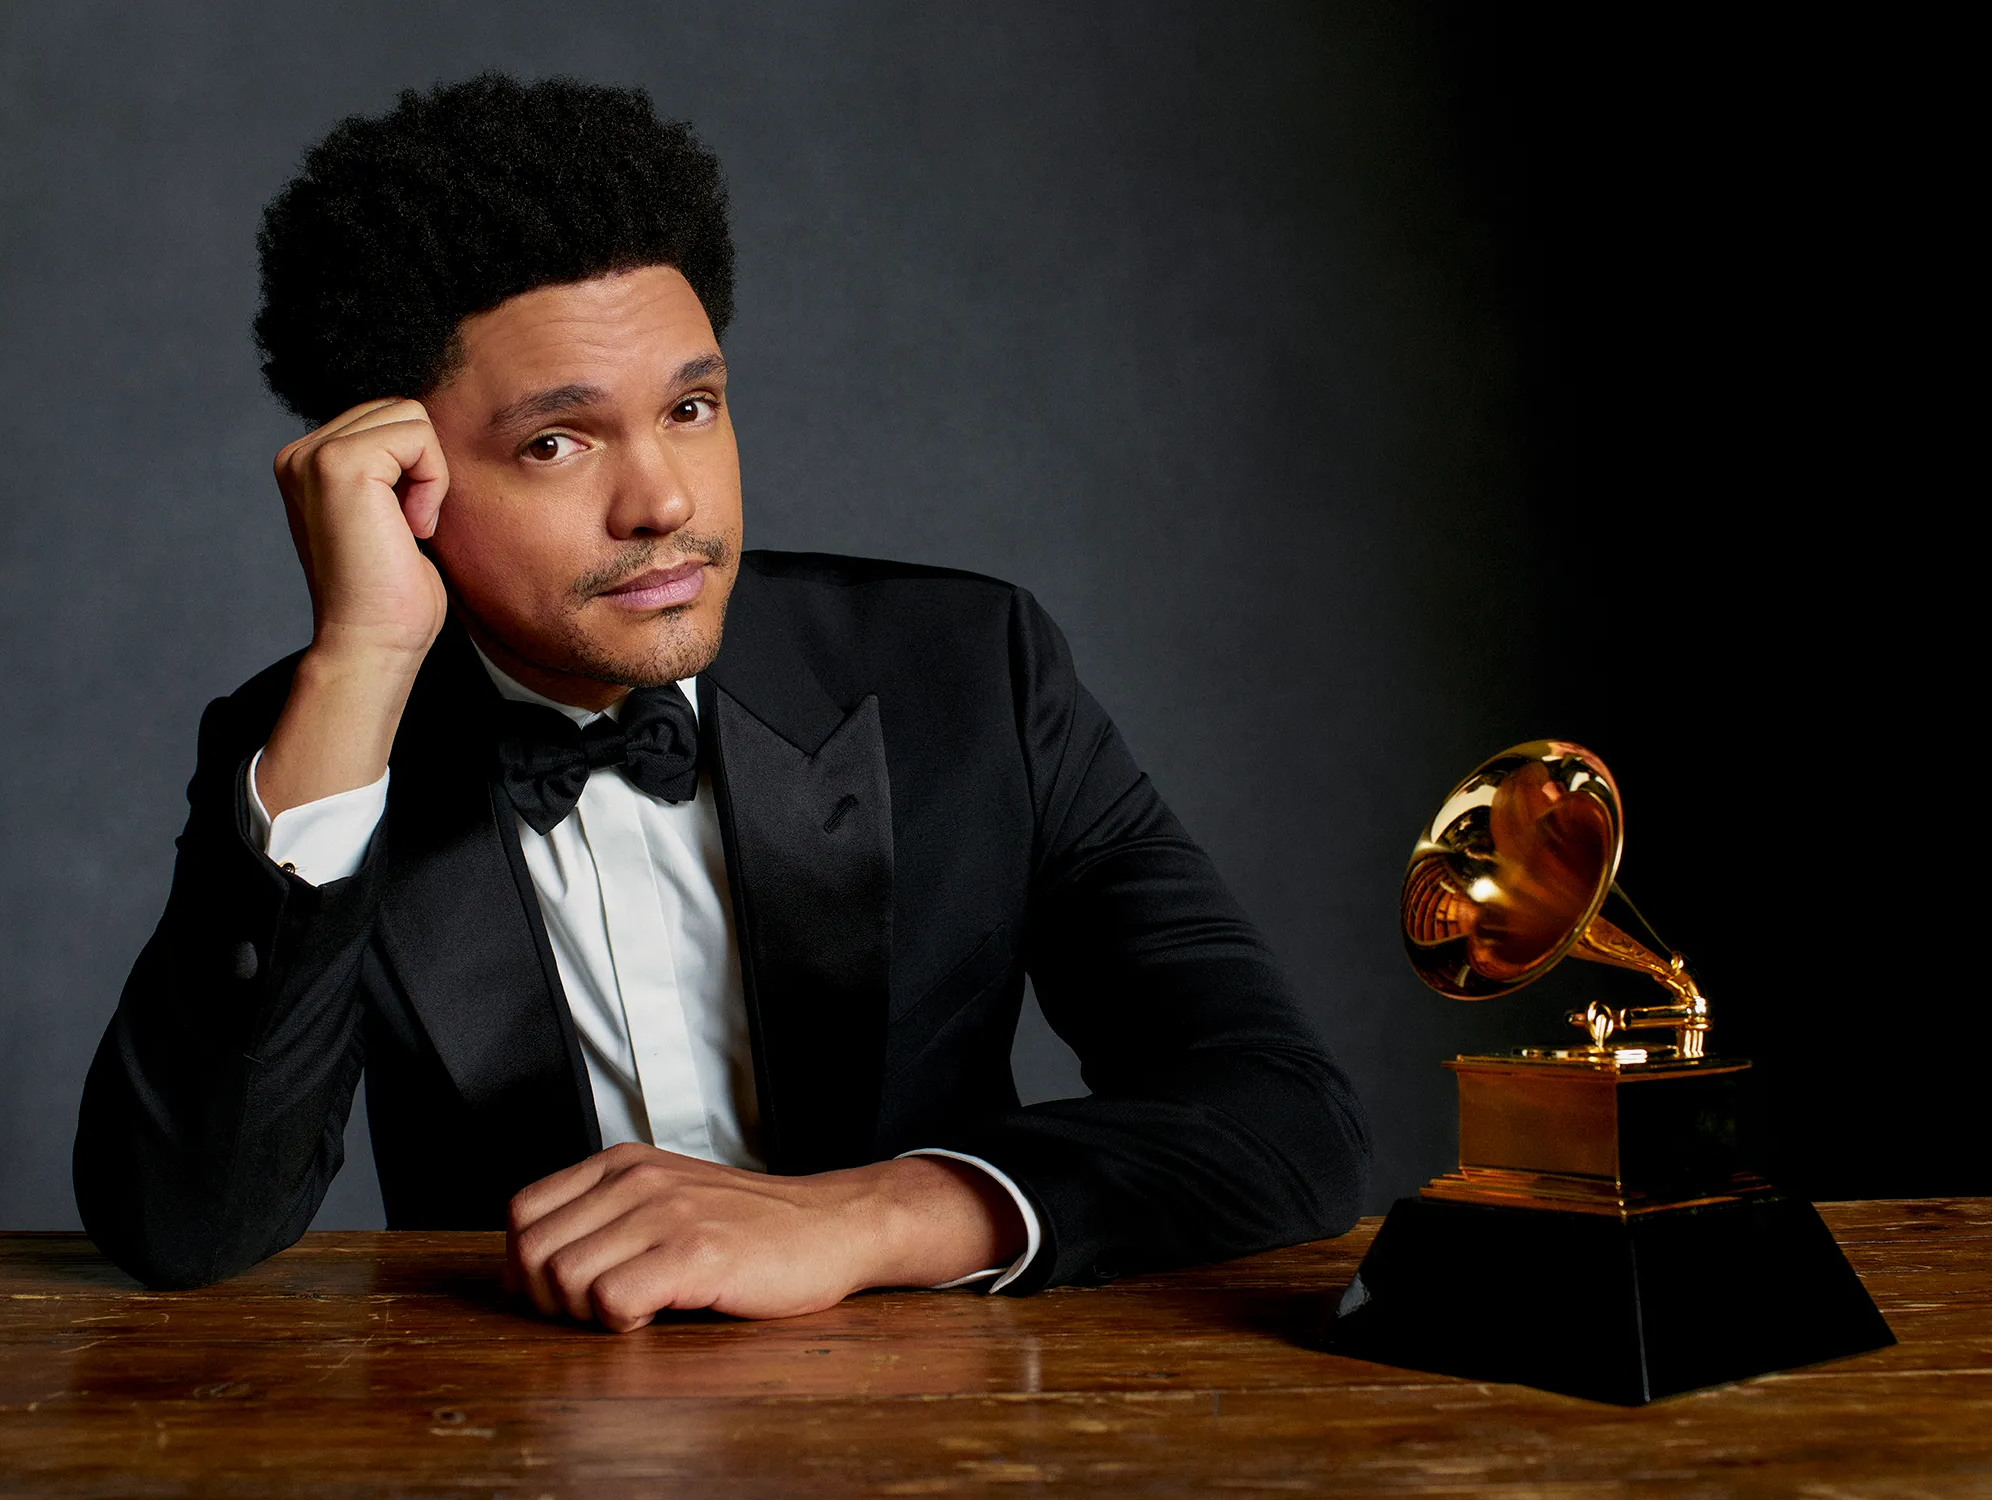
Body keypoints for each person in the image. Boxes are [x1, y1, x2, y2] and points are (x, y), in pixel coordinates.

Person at [74, 74, 1370, 1332]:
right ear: (400, 476)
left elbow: (1286, 1118)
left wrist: (866, 1220)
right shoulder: (320, 752)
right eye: (556, 442)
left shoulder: (971, 670)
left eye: (691, 407)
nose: (667, 502)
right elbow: (183, 1226)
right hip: (503, 1444)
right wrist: (358, 661)